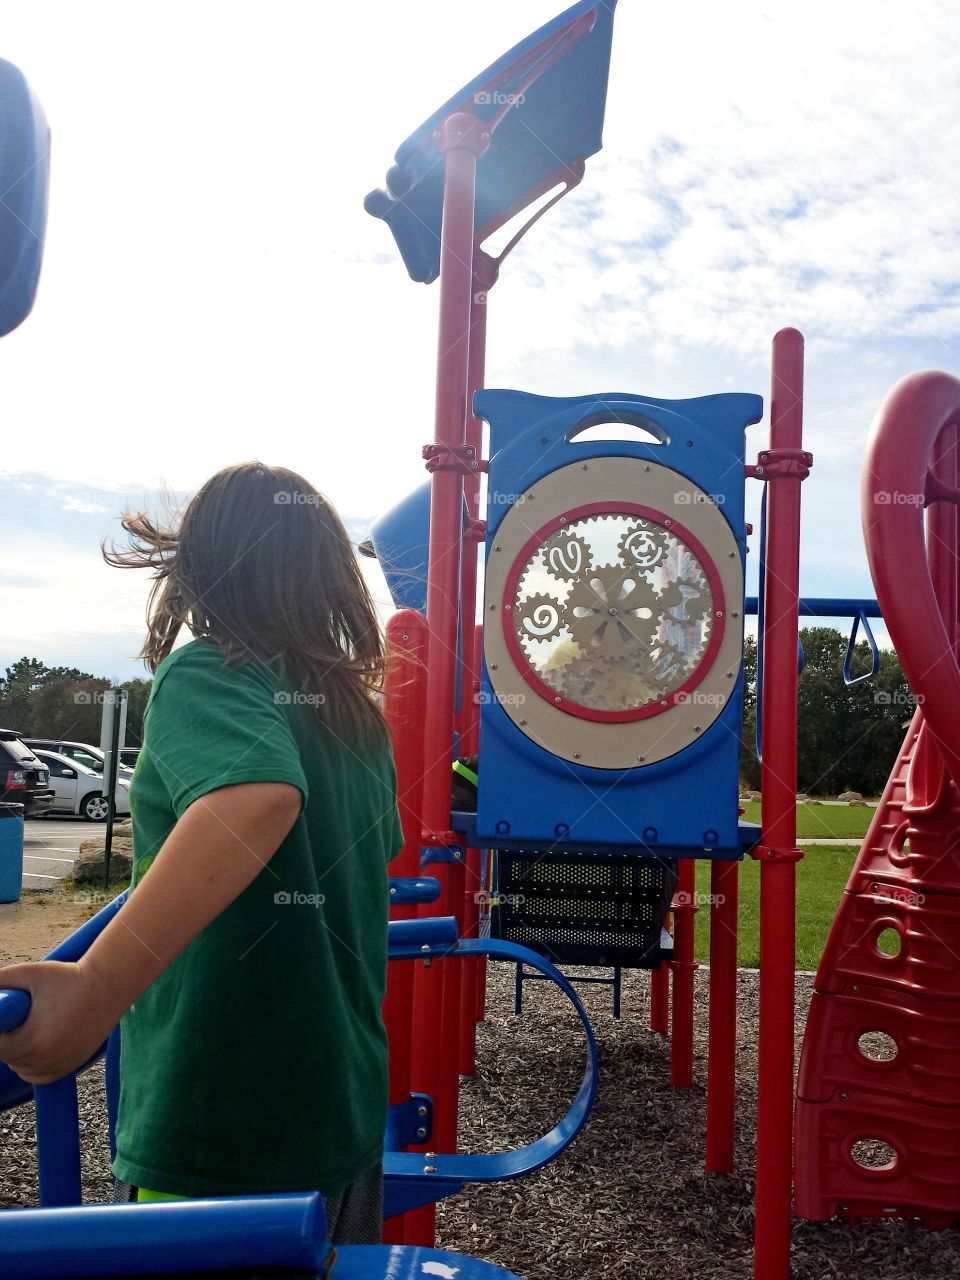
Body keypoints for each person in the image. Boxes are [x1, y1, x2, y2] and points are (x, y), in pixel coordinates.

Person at [0, 462, 402, 1243]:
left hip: (217, 1126)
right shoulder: (356, 719)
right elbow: (365, 861)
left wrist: (94, 987)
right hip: (340, 1111)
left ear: (199, 571)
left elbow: (256, 799)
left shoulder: (208, 672)